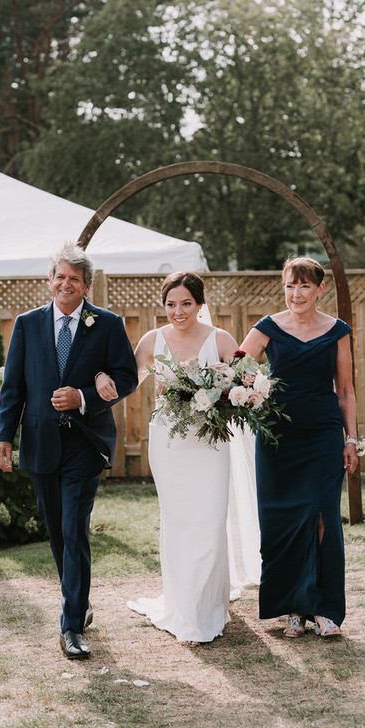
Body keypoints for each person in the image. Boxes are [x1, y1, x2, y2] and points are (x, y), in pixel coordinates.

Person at [0, 242, 137, 660]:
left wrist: (85, 396)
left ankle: (71, 625)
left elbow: (127, 377)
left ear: (87, 285)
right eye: (60, 276)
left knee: (74, 529)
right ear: (50, 280)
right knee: (57, 532)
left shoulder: (107, 325)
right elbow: (14, 387)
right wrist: (4, 435)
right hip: (39, 442)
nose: (65, 284)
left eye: (75, 278)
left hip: (85, 444)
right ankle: (80, 600)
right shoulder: (27, 324)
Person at [120, 271, 257, 646]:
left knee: (211, 524)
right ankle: (186, 610)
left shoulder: (221, 339)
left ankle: (208, 604)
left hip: (211, 443)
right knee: (179, 523)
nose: (178, 311)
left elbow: (248, 381)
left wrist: (233, 392)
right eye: (171, 304)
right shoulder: (152, 341)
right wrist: (101, 380)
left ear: (199, 304)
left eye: (186, 303)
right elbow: (126, 382)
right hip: (169, 443)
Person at [240, 256, 358, 638]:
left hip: (323, 435)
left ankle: (325, 609)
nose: (296, 293)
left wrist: (351, 439)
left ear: (319, 289)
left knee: (323, 517)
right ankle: (293, 607)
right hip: (277, 438)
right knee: (282, 520)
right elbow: (236, 370)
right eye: (290, 285)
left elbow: (346, 390)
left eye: (304, 286)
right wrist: (246, 391)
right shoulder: (268, 328)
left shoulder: (337, 330)